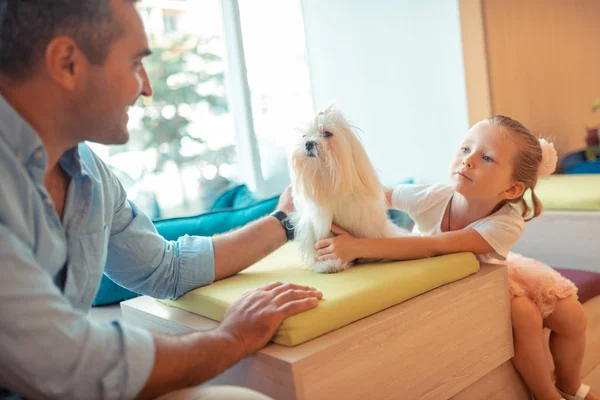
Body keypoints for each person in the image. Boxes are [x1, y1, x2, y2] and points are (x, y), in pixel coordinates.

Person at [0, 1, 322, 399]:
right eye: (136, 63)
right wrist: (232, 340)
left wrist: (284, 220)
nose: (147, 87)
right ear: (68, 64)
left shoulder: (90, 174)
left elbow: (164, 269)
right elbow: (70, 365)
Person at [315, 116, 598, 400]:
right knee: (525, 315)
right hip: (466, 278)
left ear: (512, 190)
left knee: (572, 317)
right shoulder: (432, 196)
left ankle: (569, 387)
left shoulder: (508, 222)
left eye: (486, 157)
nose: (468, 160)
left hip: (492, 270)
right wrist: (330, 184)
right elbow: (374, 195)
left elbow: (439, 245)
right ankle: (546, 394)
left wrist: (358, 246)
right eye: (465, 149)